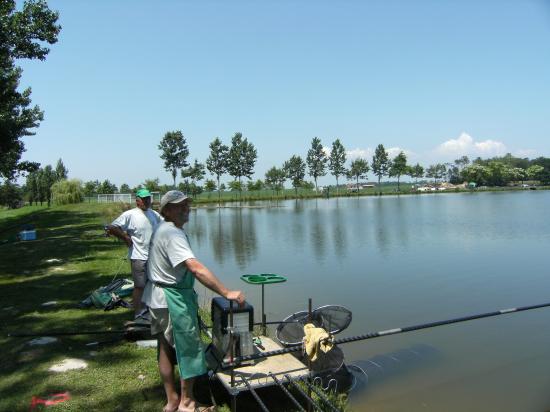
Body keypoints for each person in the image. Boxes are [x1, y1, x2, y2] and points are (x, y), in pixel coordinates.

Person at [143, 190, 244, 412]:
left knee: (166, 349)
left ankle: (171, 401)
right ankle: (187, 404)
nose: (185, 208)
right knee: (188, 347)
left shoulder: (162, 229)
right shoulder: (172, 233)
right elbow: (195, 268)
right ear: (167, 209)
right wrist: (227, 292)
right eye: (179, 205)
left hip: (157, 297)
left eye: (187, 204)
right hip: (172, 299)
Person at [106, 188, 161, 317]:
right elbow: (111, 227)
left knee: (151, 286)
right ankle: (137, 313)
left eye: (149, 198)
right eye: (144, 199)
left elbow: (166, 225)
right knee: (140, 286)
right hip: (138, 256)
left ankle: (147, 309)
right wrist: (125, 237)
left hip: (153, 257)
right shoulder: (130, 214)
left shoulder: (154, 214)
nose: (147, 201)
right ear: (137, 201)